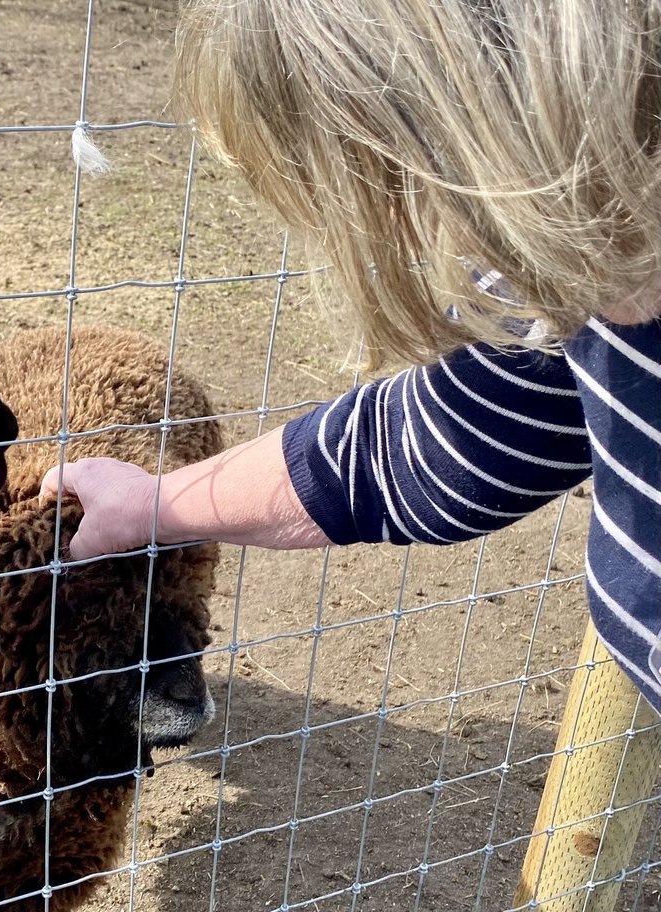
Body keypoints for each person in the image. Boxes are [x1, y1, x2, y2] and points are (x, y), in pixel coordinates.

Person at [41, 0, 661, 710]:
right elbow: (421, 446)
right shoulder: (585, 294)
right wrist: (153, 504)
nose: (431, 238)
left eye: (406, 183)